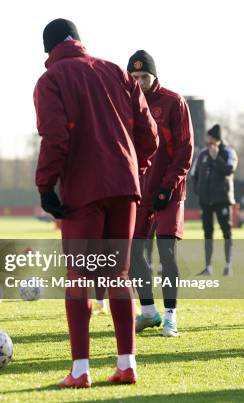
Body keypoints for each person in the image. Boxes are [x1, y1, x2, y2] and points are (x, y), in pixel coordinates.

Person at [34, 19, 158, 388]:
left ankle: (80, 371)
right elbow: (148, 132)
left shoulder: (50, 80)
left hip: (83, 190)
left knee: (79, 278)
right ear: (79, 40)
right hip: (125, 186)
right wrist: (135, 167)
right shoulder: (115, 71)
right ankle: (127, 364)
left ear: (48, 49)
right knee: (118, 275)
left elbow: (55, 136)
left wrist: (45, 185)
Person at [126, 50, 194, 338]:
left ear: (154, 76)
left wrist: (167, 186)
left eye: (144, 76)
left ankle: (170, 316)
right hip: (141, 191)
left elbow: (185, 150)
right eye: (134, 77)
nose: (139, 82)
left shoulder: (173, 102)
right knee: (133, 252)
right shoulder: (124, 104)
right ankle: (149, 312)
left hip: (170, 191)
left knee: (166, 251)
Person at [192, 124, 238, 276]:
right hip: (206, 201)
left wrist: (216, 157)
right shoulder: (202, 154)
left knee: (226, 231)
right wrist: (197, 190)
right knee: (207, 233)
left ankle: (228, 266)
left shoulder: (228, 152)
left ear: (217, 139)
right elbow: (195, 173)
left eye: (211, 138)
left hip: (222, 199)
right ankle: (208, 267)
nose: (208, 141)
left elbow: (229, 170)